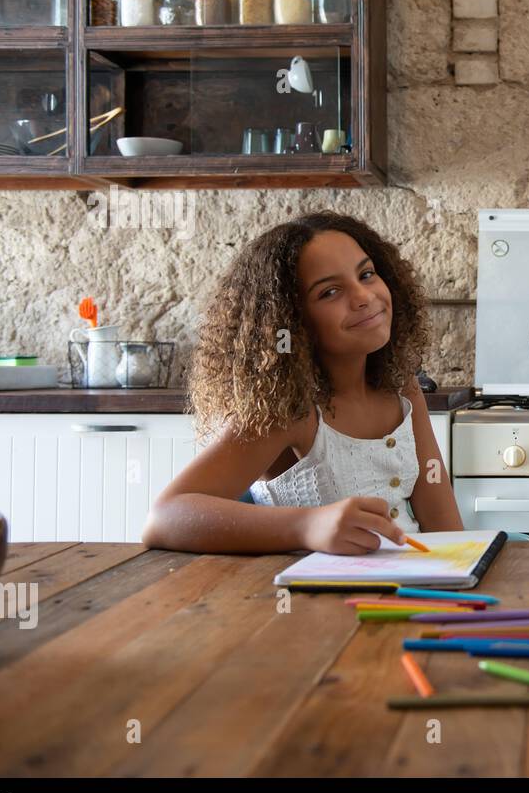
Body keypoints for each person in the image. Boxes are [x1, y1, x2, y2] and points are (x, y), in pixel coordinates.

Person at [143, 210, 464, 554]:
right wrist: (306, 526)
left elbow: (447, 529)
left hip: (416, 588)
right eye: (329, 292)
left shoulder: (402, 388)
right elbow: (164, 518)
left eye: (367, 274)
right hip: (321, 600)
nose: (363, 296)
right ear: (292, 320)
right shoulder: (289, 409)